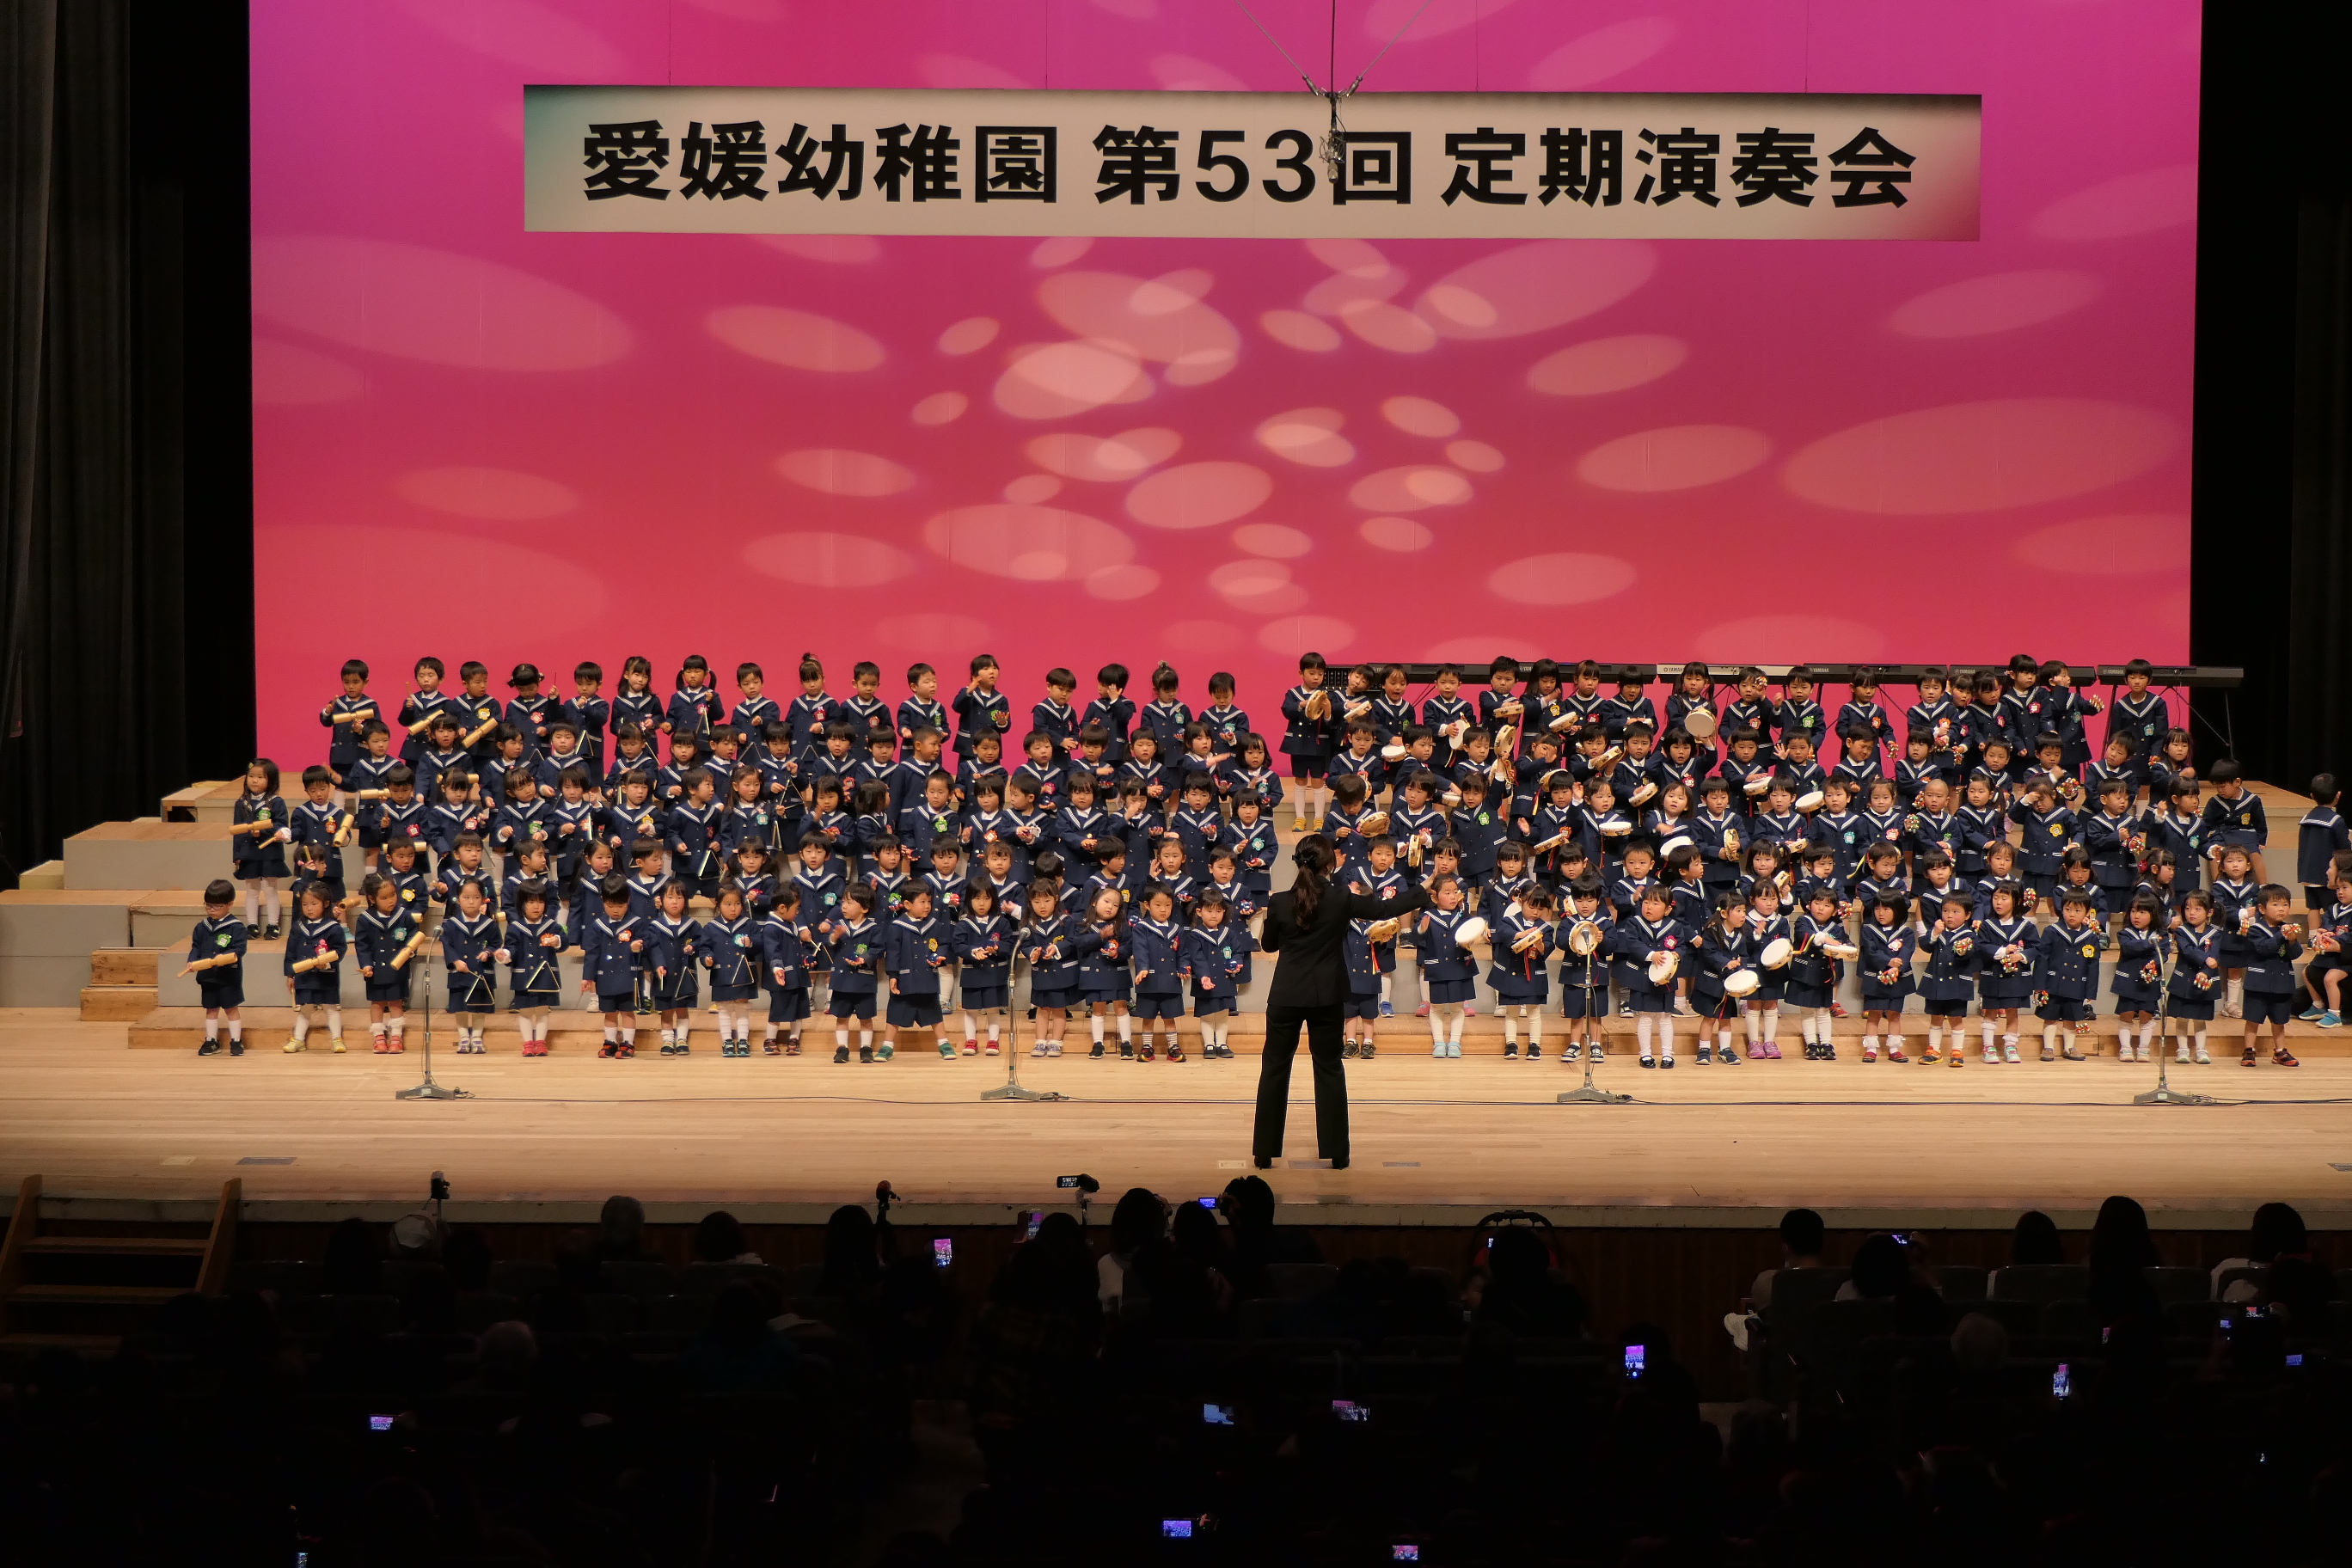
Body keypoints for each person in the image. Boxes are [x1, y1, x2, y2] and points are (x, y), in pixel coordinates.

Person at [1252, 836, 1429, 1168]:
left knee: (1274, 1068)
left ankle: (1264, 1152)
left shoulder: (1279, 902)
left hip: (1287, 995)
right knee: (1329, 1068)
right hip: (1327, 994)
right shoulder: (1341, 898)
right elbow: (1384, 909)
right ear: (1330, 865)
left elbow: (1269, 945)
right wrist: (1422, 889)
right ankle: (1337, 1153)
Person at [282, 881, 347, 1053]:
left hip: (326, 974)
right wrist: (290, 974)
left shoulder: (333, 928)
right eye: (305, 905)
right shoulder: (298, 927)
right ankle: (298, 1040)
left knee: (331, 1008)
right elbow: (291, 952)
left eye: (313, 904)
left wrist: (326, 961)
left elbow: (340, 950)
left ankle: (337, 1039)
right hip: (304, 975)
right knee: (305, 1008)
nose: (309, 908)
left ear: (326, 904)